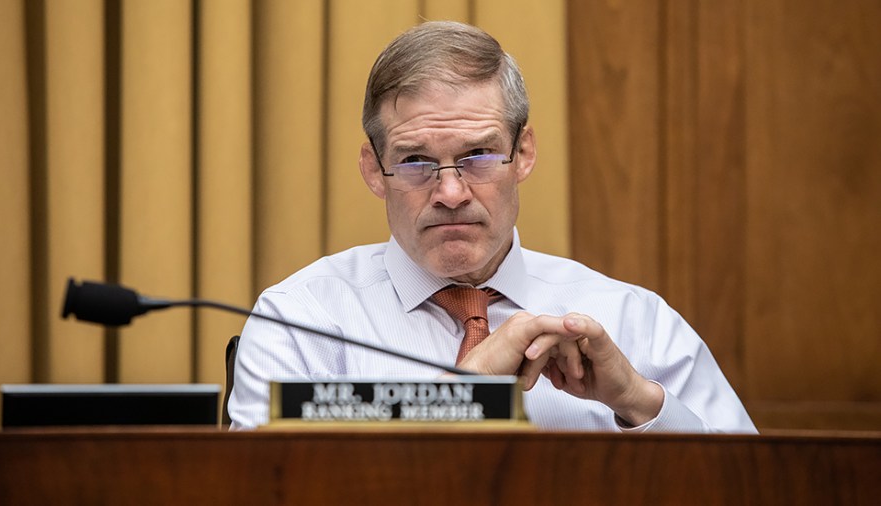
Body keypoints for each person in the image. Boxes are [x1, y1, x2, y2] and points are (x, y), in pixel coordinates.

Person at [228, 21, 757, 433]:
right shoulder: (301, 320)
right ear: (373, 169)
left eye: (479, 154)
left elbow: (753, 488)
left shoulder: (635, 319)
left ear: (522, 153)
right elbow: (262, 490)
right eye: (415, 160)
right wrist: (467, 390)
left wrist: (640, 404)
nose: (451, 192)